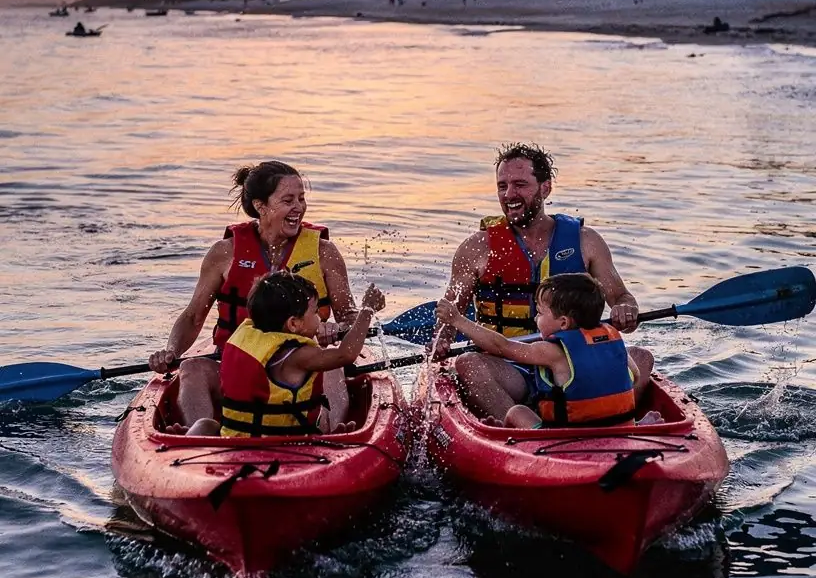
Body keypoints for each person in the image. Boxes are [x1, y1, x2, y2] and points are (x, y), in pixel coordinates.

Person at [437, 143, 649, 421]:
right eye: (502, 186)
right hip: (510, 366)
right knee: (469, 364)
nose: (509, 195)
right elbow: (450, 314)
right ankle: (516, 431)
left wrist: (626, 309)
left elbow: (621, 297)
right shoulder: (476, 248)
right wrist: (442, 337)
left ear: (545, 188)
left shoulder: (586, 241)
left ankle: (615, 417)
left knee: (641, 357)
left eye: (520, 184)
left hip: (573, 361)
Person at [149, 160, 359, 430]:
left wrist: (337, 328)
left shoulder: (324, 252)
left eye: (301, 199)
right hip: (237, 366)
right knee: (191, 369)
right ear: (261, 206)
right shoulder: (225, 253)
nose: (299, 207)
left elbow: (349, 315)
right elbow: (193, 316)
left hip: (300, 365)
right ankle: (199, 440)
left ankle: (333, 435)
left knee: (332, 368)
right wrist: (171, 352)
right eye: (288, 200)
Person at [437, 272, 652, 428]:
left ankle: (506, 435)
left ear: (564, 323)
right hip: (616, 427)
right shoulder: (613, 339)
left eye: (540, 313)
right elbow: (634, 377)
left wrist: (457, 320)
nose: (535, 318)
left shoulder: (552, 351)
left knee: (517, 412)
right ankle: (636, 424)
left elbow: (501, 346)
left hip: (565, 437)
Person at [186, 273, 385, 438]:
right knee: (321, 414)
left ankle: (180, 447)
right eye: (315, 313)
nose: (319, 319)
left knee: (205, 425)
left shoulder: (247, 336)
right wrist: (366, 311)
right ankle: (334, 436)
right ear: (293, 324)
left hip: (236, 440)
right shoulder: (299, 355)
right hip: (284, 445)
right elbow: (346, 354)